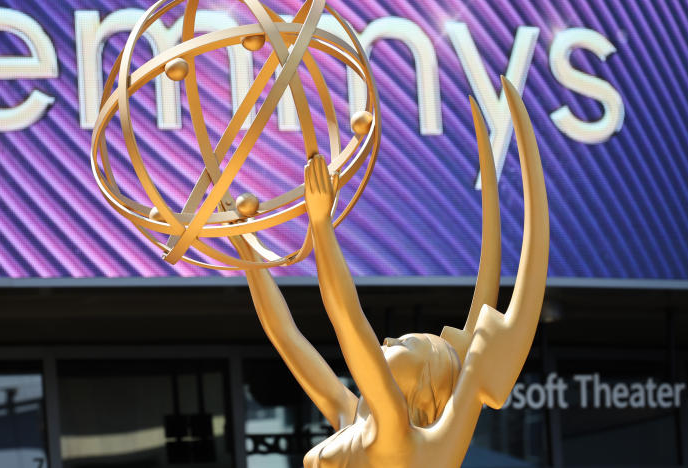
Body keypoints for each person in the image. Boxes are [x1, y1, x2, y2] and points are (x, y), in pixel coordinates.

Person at [234, 77, 549, 468]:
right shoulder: (352, 418)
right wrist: (246, 249)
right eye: (402, 340)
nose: (388, 338)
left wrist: (321, 228)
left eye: (405, 344)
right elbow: (285, 336)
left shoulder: (393, 432)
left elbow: (349, 322)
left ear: (422, 386)